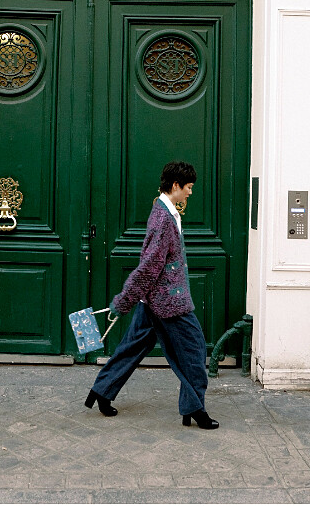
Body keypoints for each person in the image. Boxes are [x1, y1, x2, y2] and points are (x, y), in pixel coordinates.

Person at [85, 161, 219, 430]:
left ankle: (101, 391)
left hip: (154, 300)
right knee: (194, 350)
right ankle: (195, 410)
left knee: (131, 347)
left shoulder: (165, 212)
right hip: (169, 303)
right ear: (175, 186)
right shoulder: (163, 219)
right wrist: (122, 301)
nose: (191, 193)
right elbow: (149, 267)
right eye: (189, 188)